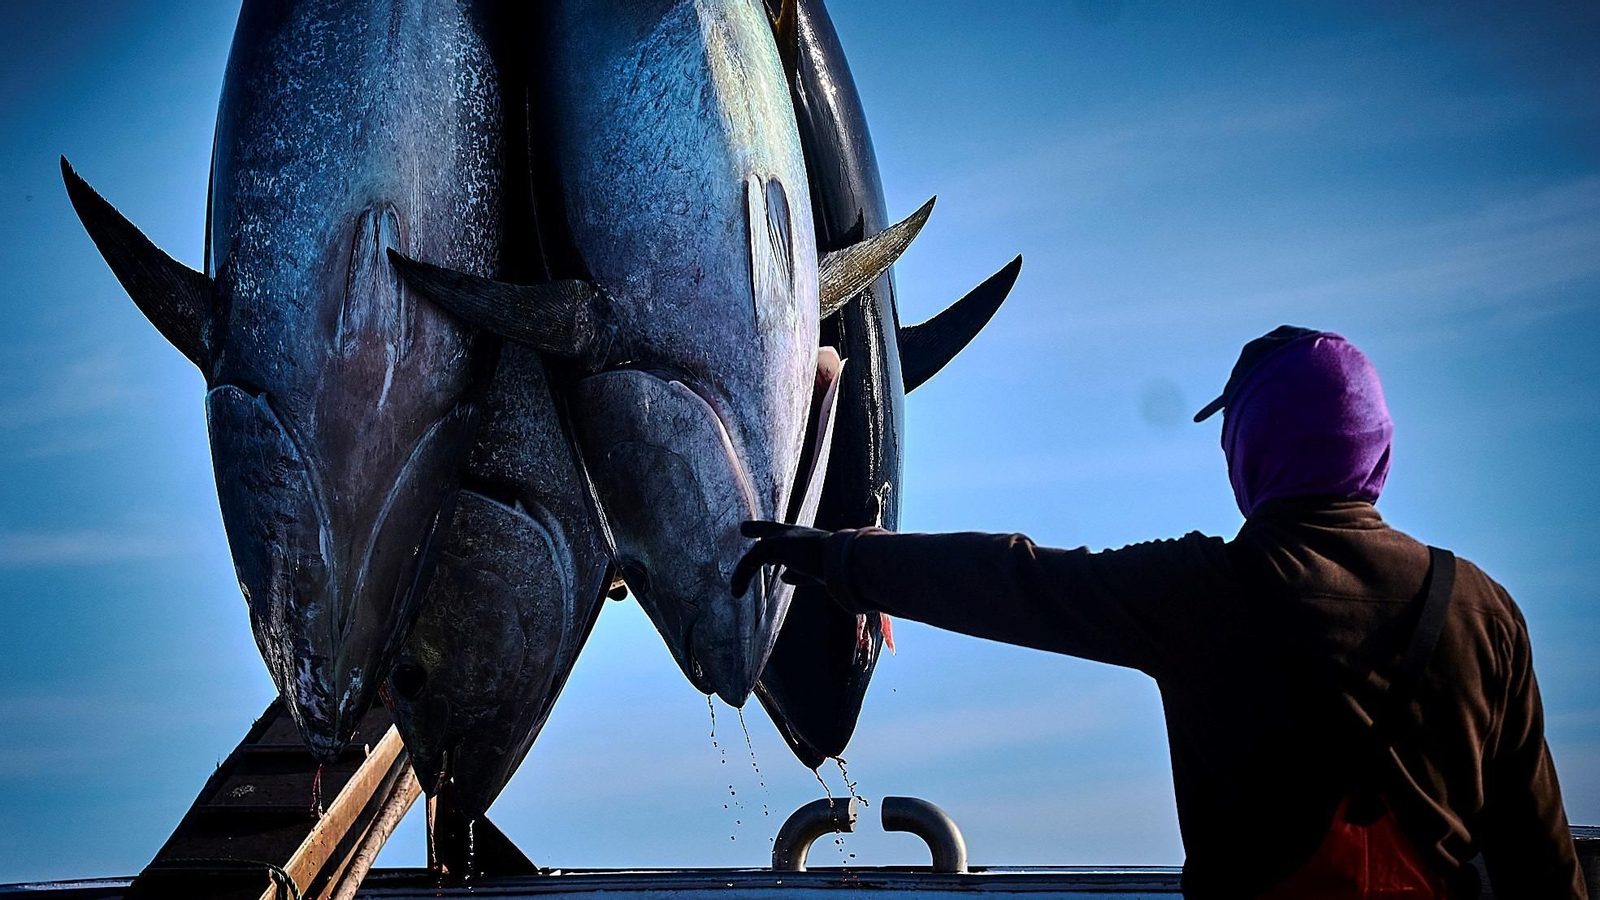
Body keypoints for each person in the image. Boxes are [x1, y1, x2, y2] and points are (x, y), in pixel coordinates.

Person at [733, 326, 1586, 899]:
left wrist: (830, 555)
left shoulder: (1207, 591)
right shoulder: (1482, 610)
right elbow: (1544, 861)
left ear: (1250, 451)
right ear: (1379, 450)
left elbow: (1012, 582)